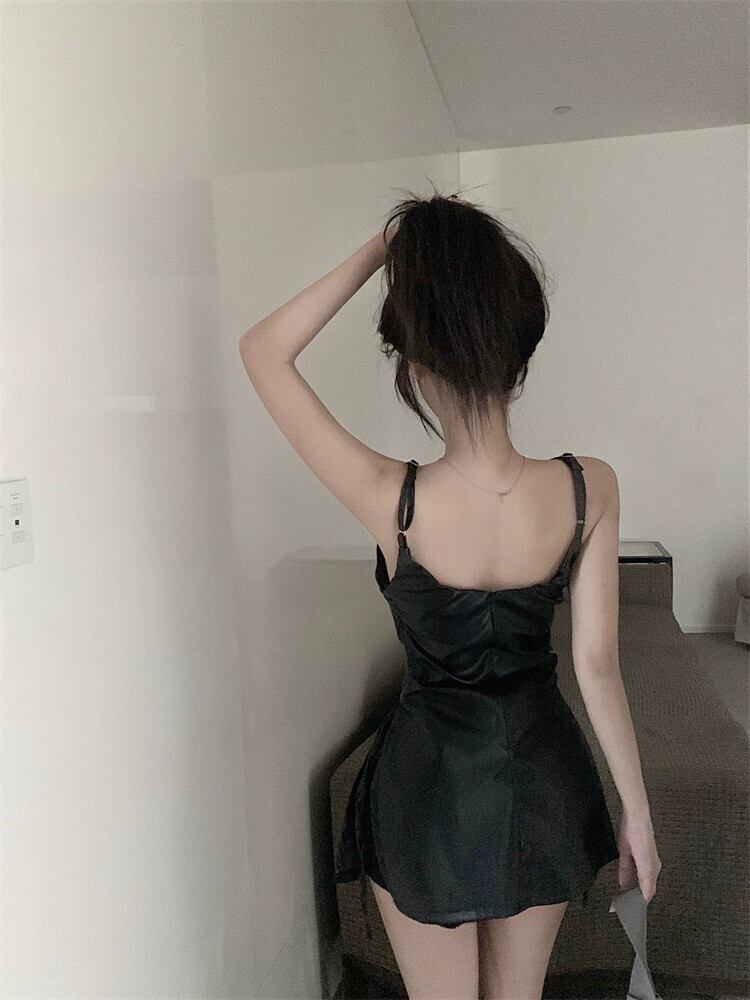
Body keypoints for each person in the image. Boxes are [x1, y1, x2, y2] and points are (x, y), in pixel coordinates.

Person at [238, 189, 661, 999]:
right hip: (543, 780)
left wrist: (387, 245)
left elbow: (263, 351)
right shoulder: (590, 487)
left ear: (415, 366)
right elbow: (598, 666)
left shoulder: (388, 498)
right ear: (520, 355)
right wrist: (636, 815)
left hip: (426, 789)